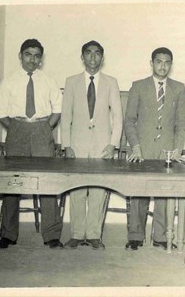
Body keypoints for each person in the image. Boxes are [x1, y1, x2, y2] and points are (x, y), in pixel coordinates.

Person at [0, 39, 63, 249]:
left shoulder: (49, 80)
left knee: (47, 183)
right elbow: (1, 113)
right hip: (17, 131)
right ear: (20, 56)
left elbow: (57, 110)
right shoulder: (9, 81)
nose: (32, 59)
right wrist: (17, 127)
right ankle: (8, 234)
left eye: (36, 55)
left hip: (42, 130)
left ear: (41, 59)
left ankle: (51, 234)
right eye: (28, 54)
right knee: (12, 183)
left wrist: (43, 128)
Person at [61, 40, 123, 250]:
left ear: (102, 58)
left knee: (98, 189)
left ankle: (95, 235)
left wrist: (113, 144)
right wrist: (66, 145)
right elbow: (66, 115)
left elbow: (118, 116)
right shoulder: (71, 82)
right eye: (88, 53)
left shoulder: (111, 82)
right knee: (76, 189)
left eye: (97, 54)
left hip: (101, 146)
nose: (93, 57)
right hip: (77, 145)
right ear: (82, 57)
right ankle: (77, 234)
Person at [124, 47, 185, 251]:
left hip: (167, 149)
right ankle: (135, 235)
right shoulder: (138, 86)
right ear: (151, 63)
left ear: (171, 64)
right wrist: (135, 146)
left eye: (167, 62)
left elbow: (181, 123)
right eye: (158, 61)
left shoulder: (178, 88)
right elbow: (129, 120)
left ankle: (161, 235)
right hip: (142, 149)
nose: (163, 66)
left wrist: (178, 148)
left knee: (164, 193)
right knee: (138, 191)